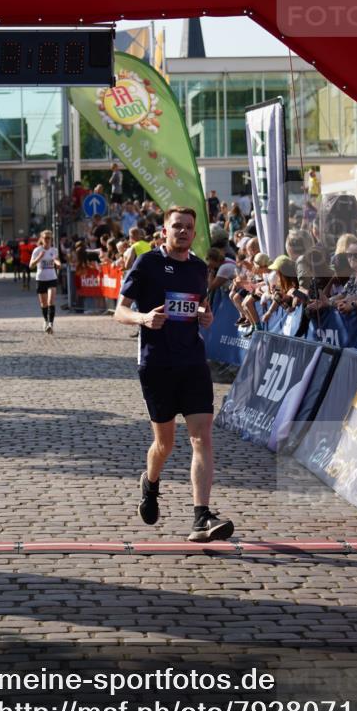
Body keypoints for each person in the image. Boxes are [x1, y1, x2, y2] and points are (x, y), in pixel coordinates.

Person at [114, 206, 234, 543]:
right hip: (157, 364)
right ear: (164, 230)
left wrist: (206, 315)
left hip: (193, 362)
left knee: (202, 437)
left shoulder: (198, 268)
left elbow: (199, 305)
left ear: (194, 233)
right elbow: (119, 311)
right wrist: (142, 319)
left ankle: (201, 517)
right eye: (177, 226)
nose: (183, 231)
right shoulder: (147, 263)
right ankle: (150, 483)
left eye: (188, 227)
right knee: (164, 444)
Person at [30, 229, 60, 334]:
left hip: (52, 278)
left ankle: (50, 324)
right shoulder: (37, 250)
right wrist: (39, 258)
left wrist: (58, 263)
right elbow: (31, 265)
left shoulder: (54, 250)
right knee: (44, 304)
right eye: (45, 238)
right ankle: (46, 321)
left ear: (51, 239)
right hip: (41, 279)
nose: (47, 240)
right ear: (41, 239)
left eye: (49, 238)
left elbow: (56, 259)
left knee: (51, 301)